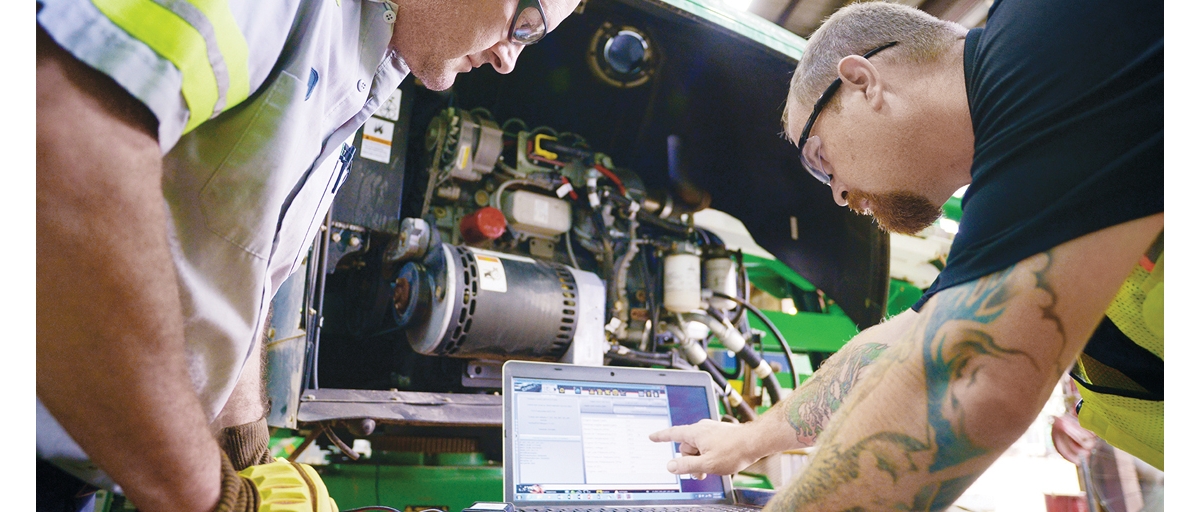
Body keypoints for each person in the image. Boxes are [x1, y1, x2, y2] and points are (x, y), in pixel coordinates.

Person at [36, 1, 580, 511]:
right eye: (526, 24)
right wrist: (207, 495)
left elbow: (239, 264)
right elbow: (60, 154)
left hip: (84, 461)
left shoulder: (362, 66)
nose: (509, 59)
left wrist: (245, 442)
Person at [649, 0, 1162, 509]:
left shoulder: (1057, 29)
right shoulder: (1025, 168)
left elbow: (962, 378)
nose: (837, 194)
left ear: (862, 81)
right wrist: (749, 440)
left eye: (819, 159)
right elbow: (904, 344)